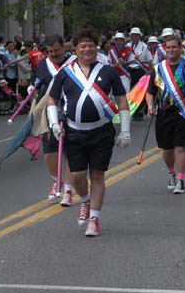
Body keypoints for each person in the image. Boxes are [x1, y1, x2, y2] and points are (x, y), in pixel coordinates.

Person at [47, 27, 130, 237]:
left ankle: (94, 218)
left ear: (96, 47)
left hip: (101, 132)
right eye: (83, 45)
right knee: (77, 176)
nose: (87, 49)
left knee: (97, 175)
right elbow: (52, 100)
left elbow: (121, 99)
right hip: (74, 133)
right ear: (75, 49)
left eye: (91, 45)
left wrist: (125, 130)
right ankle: (84, 200)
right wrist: (54, 123)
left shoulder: (108, 71)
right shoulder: (64, 73)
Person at [146, 35, 185, 194]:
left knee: (180, 147)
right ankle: (171, 173)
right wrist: (150, 105)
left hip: (184, 113)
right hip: (164, 114)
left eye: (174, 47)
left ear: (180, 48)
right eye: (168, 47)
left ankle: (181, 179)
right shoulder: (158, 68)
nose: (171, 50)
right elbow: (150, 91)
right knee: (167, 149)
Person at [29, 34, 75, 205]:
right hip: (49, 112)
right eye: (50, 51)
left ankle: (69, 190)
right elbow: (36, 81)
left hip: (70, 110)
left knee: (70, 151)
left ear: (64, 47)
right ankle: (57, 181)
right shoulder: (43, 65)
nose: (54, 54)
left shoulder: (74, 64)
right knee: (49, 152)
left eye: (56, 50)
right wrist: (32, 87)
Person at [126, 27, 152, 120]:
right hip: (130, 71)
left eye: (136, 35)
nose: (134, 37)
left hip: (141, 71)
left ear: (139, 36)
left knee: (140, 92)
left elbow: (149, 60)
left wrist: (150, 72)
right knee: (131, 91)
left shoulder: (144, 47)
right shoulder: (128, 46)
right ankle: (132, 111)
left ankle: (139, 112)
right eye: (133, 35)